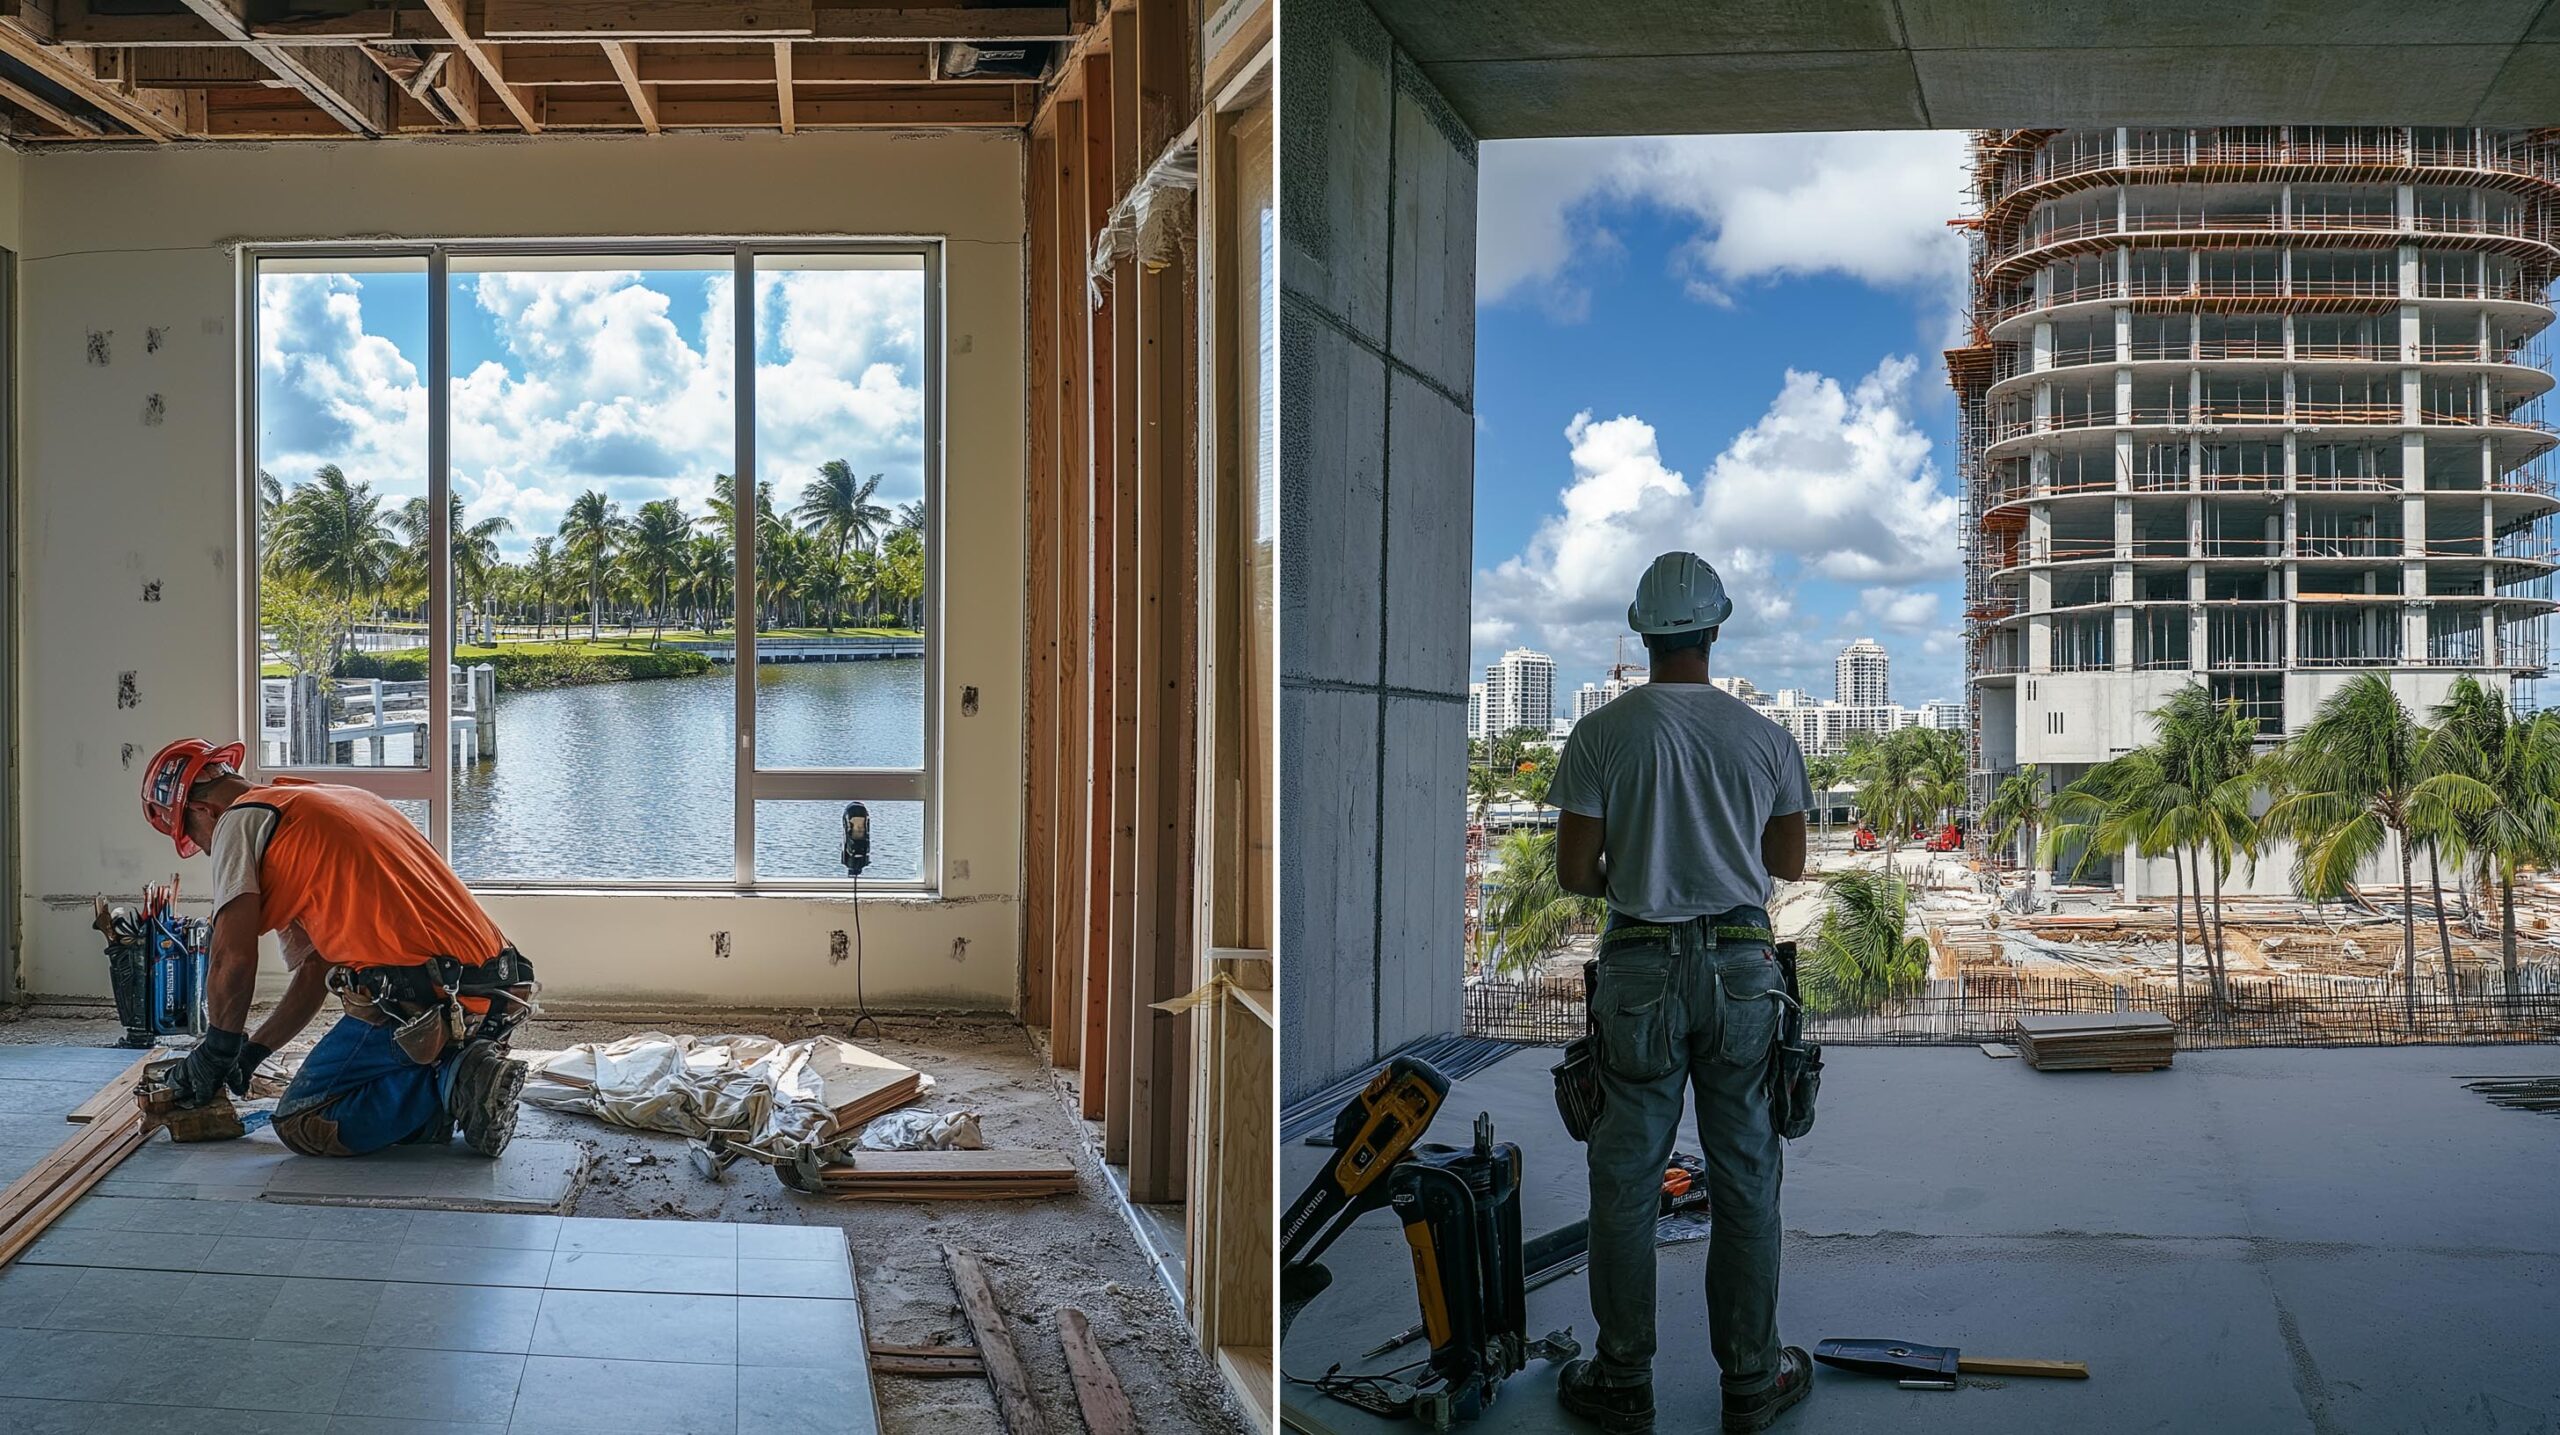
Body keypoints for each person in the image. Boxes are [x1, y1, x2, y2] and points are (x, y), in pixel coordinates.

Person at [1541, 553, 1814, 1434]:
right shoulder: (1764, 736)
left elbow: (1577, 872)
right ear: (1715, 628)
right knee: (1745, 1179)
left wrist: (1645, 861)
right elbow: (1788, 864)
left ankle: (1623, 1379)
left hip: (1639, 973)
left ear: (1642, 631)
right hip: (1740, 970)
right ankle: (1749, 1382)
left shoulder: (1601, 733)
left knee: (1624, 1183)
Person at [139, 738, 537, 1157]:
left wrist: (217, 1050)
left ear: (203, 810)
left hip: (422, 1000)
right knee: (357, 1073)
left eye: (193, 837)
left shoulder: (238, 822)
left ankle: (455, 1077)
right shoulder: (319, 804)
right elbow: (315, 971)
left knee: (303, 1122)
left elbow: (230, 958)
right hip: (496, 992)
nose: (204, 849)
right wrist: (252, 1052)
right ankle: (459, 1081)